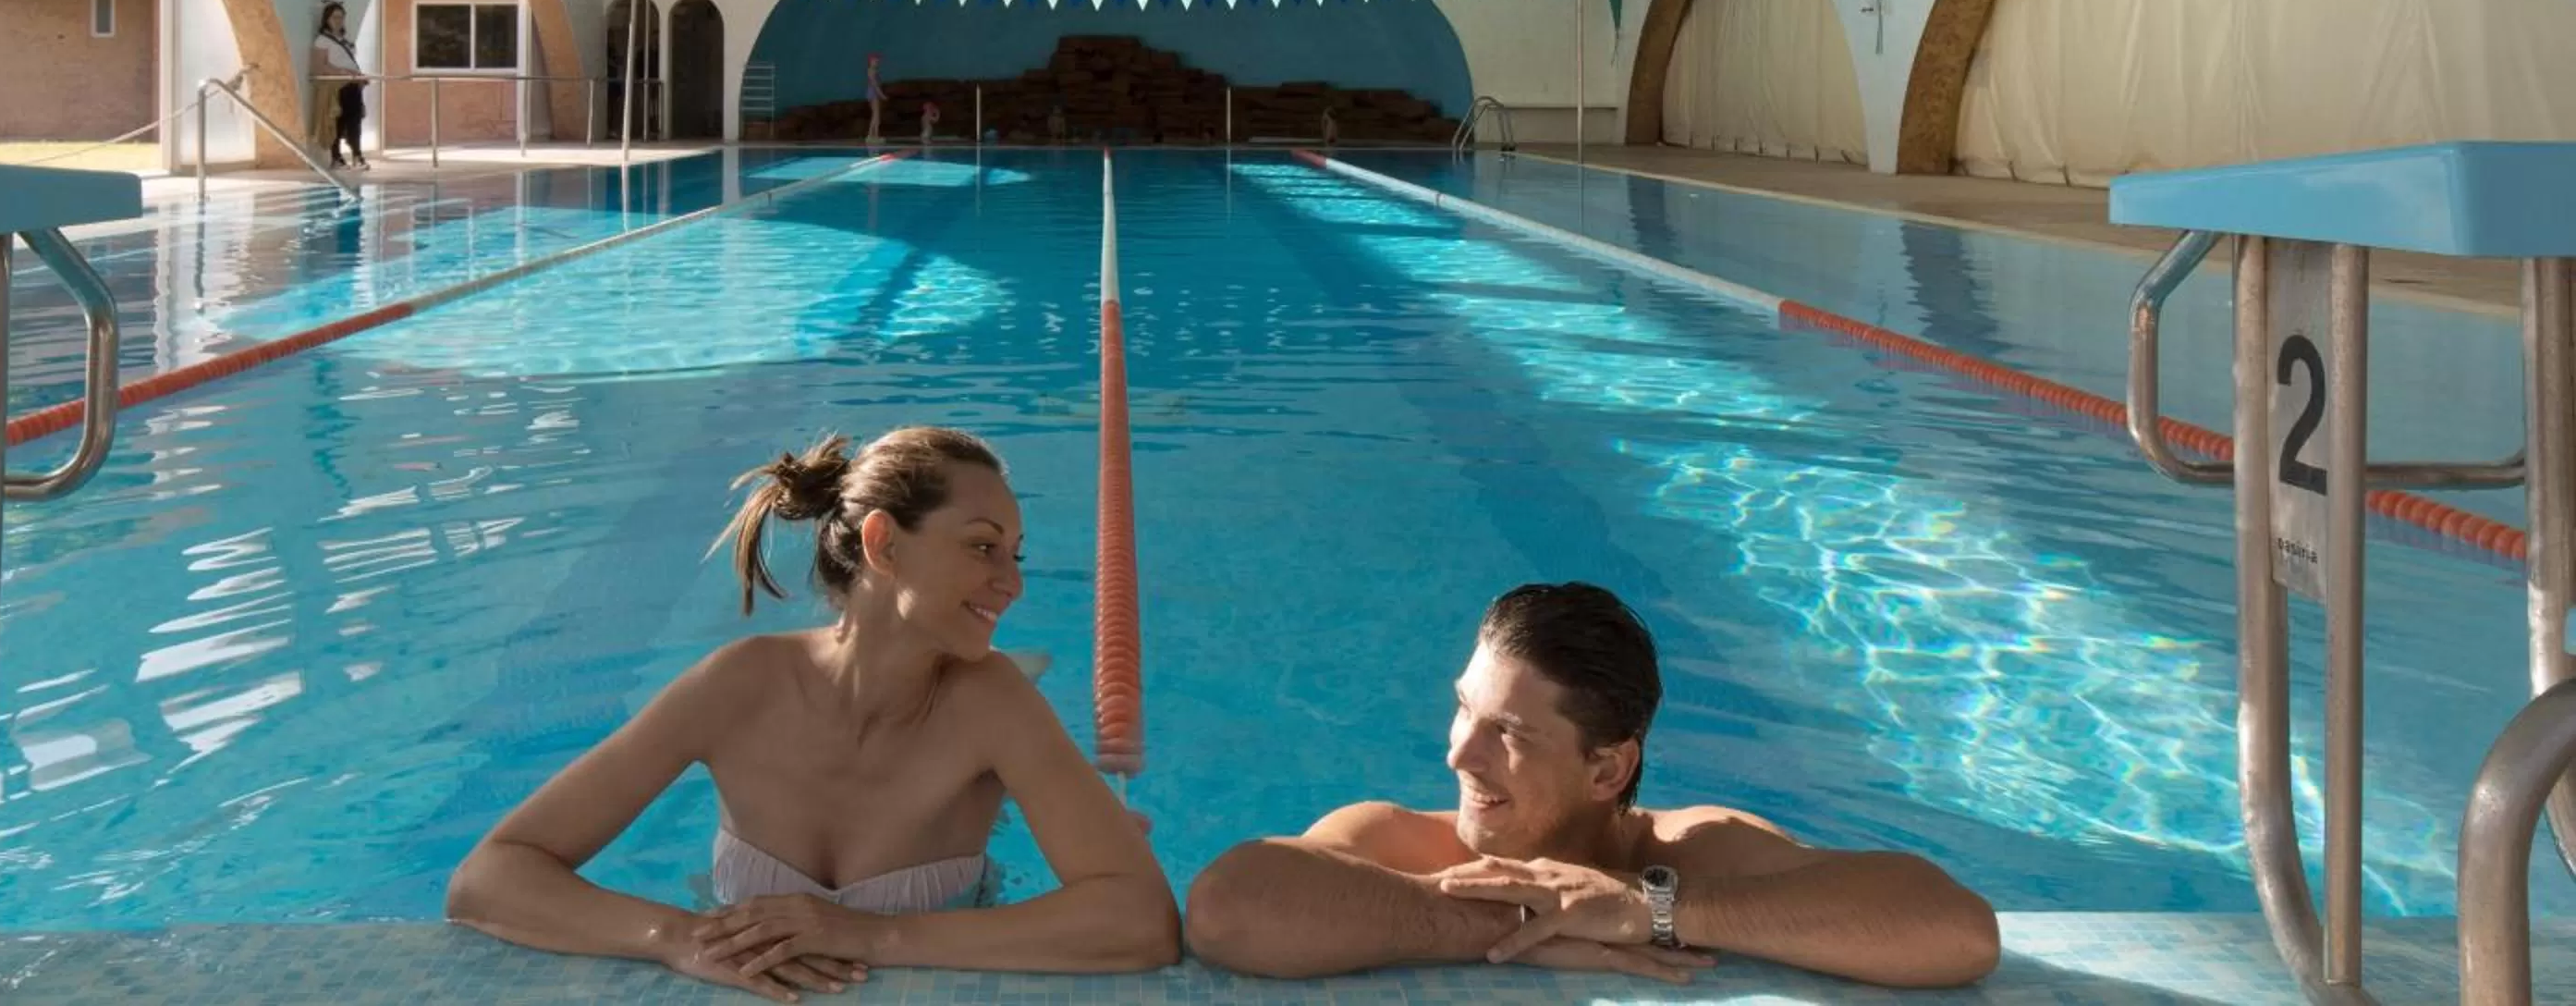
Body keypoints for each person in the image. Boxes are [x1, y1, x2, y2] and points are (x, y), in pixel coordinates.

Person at [446, 428, 1178, 999]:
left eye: (1016, 554)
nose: (1012, 583)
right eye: (984, 548)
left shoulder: (995, 703)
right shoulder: (739, 687)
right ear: (883, 543)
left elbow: (1141, 922)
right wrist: (672, 937)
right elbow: (488, 879)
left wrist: (871, 935)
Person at [1183, 583, 1999, 990]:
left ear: (1608, 767)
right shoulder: (1397, 842)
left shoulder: (1689, 850)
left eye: (1507, 733)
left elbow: (1958, 932)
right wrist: (1511, 926)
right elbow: (1229, 904)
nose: (1460, 756)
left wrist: (1648, 910)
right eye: (1464, 710)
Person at [311, 1, 368, 169]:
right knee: (339, 120)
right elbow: (320, 65)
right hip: (337, 86)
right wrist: (342, 72)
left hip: (352, 84)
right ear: (327, 19)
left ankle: (357, 155)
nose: (339, 20)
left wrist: (357, 76)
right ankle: (336, 157)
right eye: (335, 17)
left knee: (355, 119)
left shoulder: (345, 40)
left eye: (341, 17)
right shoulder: (322, 40)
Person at [864, 53, 885, 144]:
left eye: (877, 61)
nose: (876, 63)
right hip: (873, 94)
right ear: (870, 62)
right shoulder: (871, 71)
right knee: (876, 115)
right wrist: (881, 95)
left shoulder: (873, 71)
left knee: (876, 115)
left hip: (873, 93)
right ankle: (872, 136)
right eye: (875, 61)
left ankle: (874, 136)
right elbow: (874, 85)